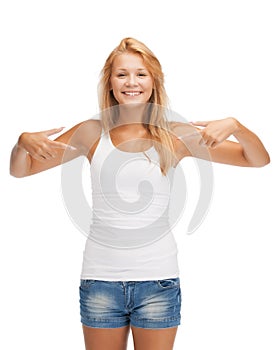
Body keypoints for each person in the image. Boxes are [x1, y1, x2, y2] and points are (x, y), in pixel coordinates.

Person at [10, 37, 270, 350]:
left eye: (141, 74)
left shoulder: (175, 136)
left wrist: (236, 125)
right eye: (122, 74)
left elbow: (256, 159)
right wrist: (21, 142)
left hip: (157, 281)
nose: (131, 82)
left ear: (154, 81)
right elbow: (21, 169)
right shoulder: (91, 133)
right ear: (109, 83)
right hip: (100, 281)